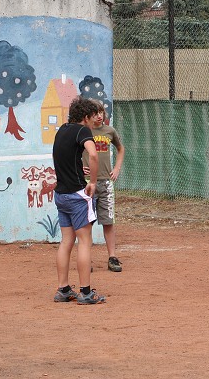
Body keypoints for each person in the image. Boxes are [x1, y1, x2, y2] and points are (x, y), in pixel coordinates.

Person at [52, 97, 106, 305]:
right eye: (93, 117)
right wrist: (92, 181)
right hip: (77, 195)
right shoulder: (82, 130)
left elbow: (63, 157)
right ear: (85, 117)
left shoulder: (62, 130)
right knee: (85, 241)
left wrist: (76, 170)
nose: (95, 121)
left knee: (66, 241)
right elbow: (93, 155)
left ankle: (63, 289)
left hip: (61, 195)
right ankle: (85, 292)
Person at [82, 103, 125, 272]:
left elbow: (121, 149)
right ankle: (87, 260)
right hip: (86, 183)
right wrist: (78, 168)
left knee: (108, 221)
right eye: (95, 113)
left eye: (101, 112)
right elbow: (73, 152)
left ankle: (112, 257)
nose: (99, 116)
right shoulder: (84, 132)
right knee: (87, 223)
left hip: (106, 182)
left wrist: (117, 168)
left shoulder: (110, 131)